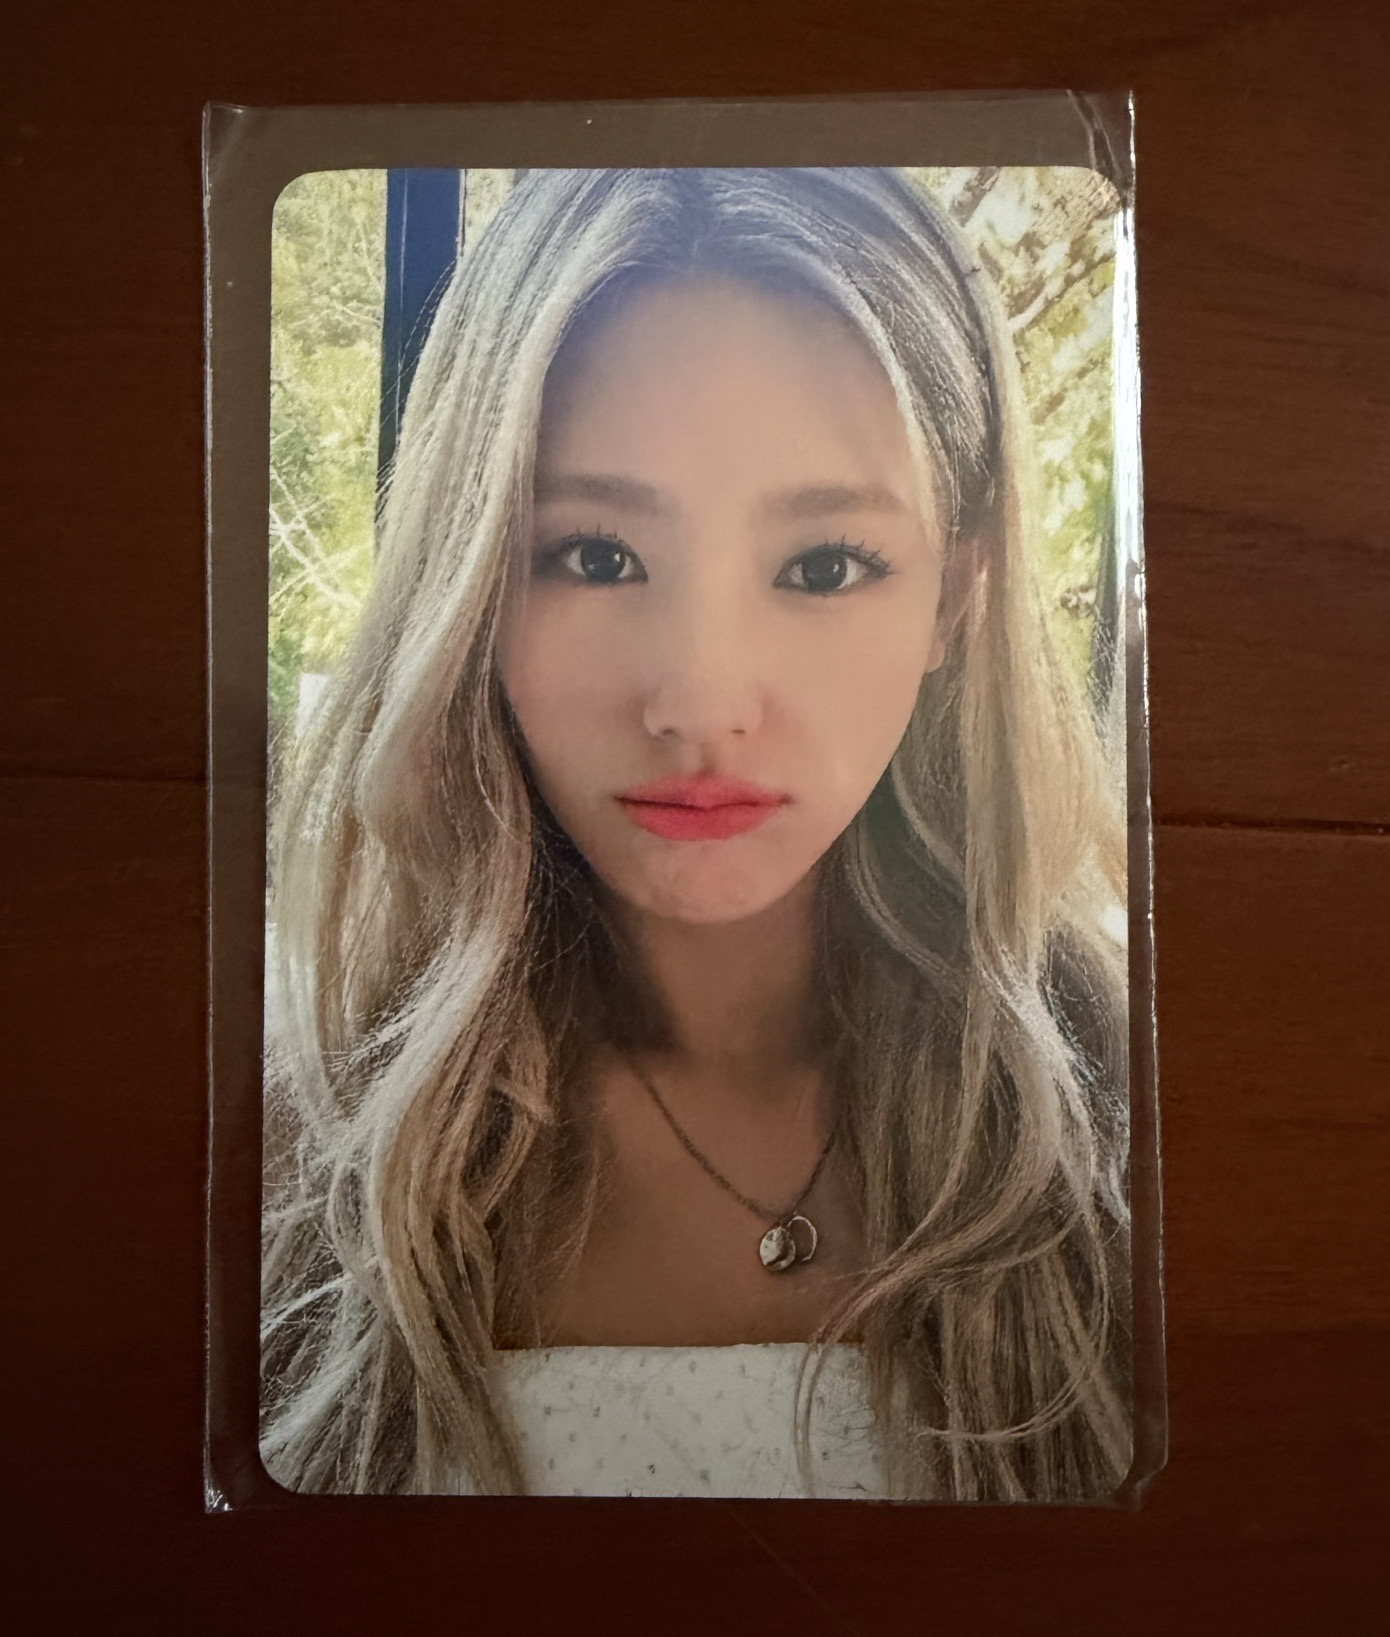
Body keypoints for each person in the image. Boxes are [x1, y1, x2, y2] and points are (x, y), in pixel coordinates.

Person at [260, 166, 1132, 1501]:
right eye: (594, 556)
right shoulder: (293, 1144)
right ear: (469, 580)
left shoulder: (1134, 1125)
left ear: (957, 596)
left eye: (824, 566)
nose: (701, 704)